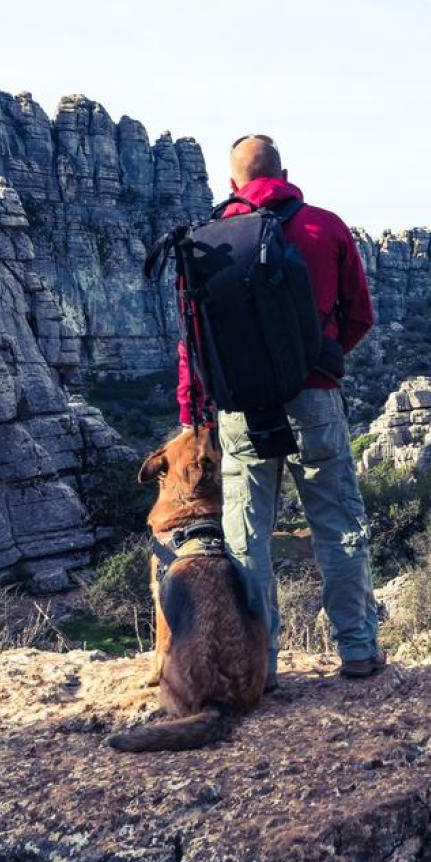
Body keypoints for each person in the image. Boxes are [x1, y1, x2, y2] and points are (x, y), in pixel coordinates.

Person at [176, 134, 383, 685]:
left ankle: (259, 668)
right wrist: (317, 362)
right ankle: (358, 650)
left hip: (241, 406)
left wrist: (193, 412)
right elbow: (360, 316)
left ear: (231, 184)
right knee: (337, 524)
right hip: (313, 396)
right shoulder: (326, 226)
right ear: (286, 172)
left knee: (247, 537)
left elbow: (192, 342)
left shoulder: (204, 240)